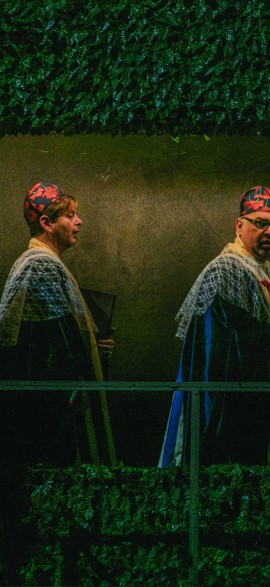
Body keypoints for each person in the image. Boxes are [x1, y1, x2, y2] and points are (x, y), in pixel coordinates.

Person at [0, 182, 116, 583]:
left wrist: (94, 342)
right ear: (47, 223)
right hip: (48, 415)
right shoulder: (41, 265)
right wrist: (82, 366)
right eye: (70, 215)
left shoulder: (42, 263)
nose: (78, 221)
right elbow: (56, 338)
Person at [159, 186, 270, 468]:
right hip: (234, 406)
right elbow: (221, 341)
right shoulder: (225, 269)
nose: (269, 232)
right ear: (240, 226)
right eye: (260, 223)